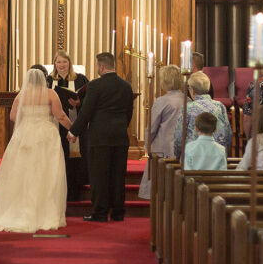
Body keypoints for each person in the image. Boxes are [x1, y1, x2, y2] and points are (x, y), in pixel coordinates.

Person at [0, 67, 72, 232]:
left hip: (24, 134)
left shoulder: (21, 95)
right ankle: (44, 212)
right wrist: (73, 130)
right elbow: (60, 115)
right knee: (46, 172)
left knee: (23, 172)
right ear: (45, 78)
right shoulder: (50, 94)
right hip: (45, 136)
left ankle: (21, 208)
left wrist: (28, 119)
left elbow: (13, 116)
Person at [69, 52, 134, 222]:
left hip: (99, 137)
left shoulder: (95, 85)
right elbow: (129, 113)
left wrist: (73, 131)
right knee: (118, 175)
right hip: (120, 136)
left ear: (101, 67)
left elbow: (86, 112)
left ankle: (100, 213)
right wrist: (119, 128)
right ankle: (118, 212)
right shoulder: (126, 86)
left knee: (99, 176)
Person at [138, 64, 185, 199]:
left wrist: (148, 145)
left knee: (161, 190)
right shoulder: (187, 99)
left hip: (163, 148)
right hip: (182, 148)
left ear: (166, 81)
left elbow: (152, 128)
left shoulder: (162, 101)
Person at [49, 51, 89, 202]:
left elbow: (91, 99)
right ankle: (56, 193)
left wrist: (79, 103)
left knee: (74, 160)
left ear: (69, 63)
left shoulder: (80, 79)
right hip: (55, 125)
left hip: (74, 124)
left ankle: (74, 191)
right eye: (58, 62)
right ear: (55, 64)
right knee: (58, 157)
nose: (62, 65)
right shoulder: (49, 80)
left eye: (64, 62)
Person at [174, 71, 230, 159]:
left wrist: (177, 155)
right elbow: (227, 134)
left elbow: (179, 136)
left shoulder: (187, 108)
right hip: (216, 157)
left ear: (192, 91)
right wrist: (224, 154)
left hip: (193, 159)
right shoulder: (220, 106)